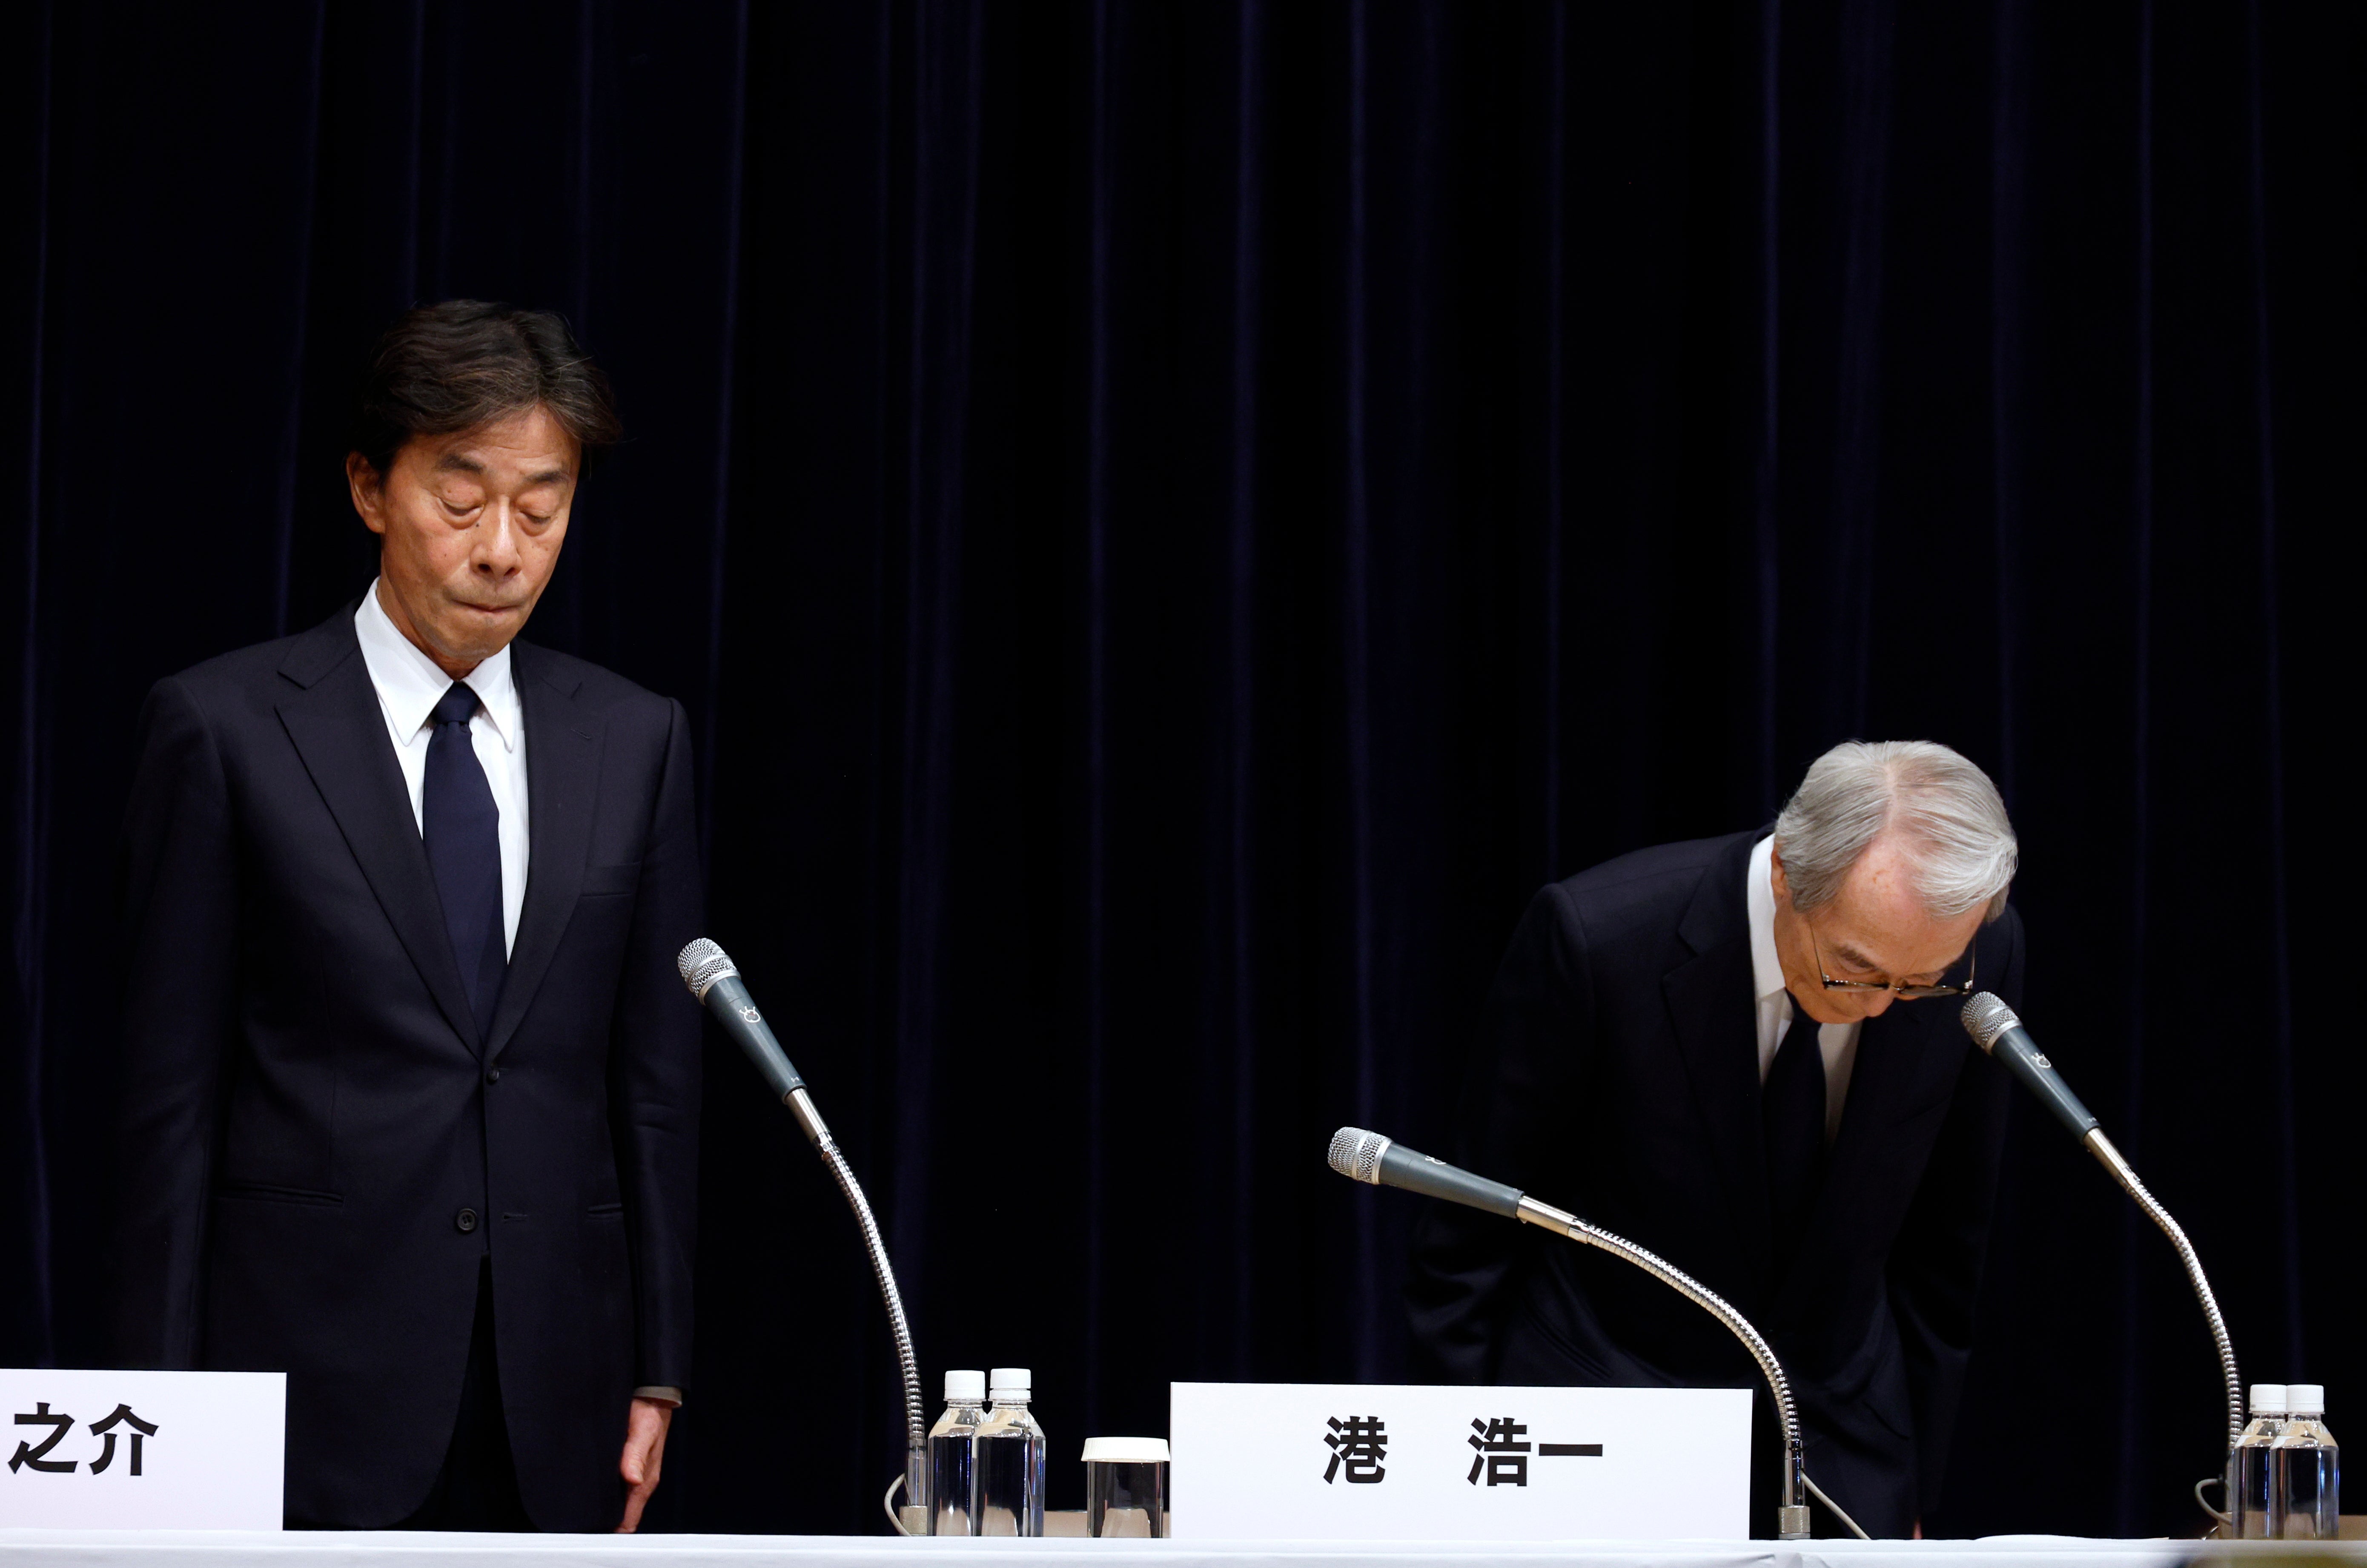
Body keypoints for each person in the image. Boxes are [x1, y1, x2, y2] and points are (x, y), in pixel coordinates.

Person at [112, 302, 702, 1532]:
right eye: (462, 498)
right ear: (370, 488)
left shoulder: (633, 738)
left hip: (557, 1382)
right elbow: (168, 1102)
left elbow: (652, 1086)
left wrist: (659, 1362)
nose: (504, 547)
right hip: (296, 1382)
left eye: (542, 507)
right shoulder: (226, 729)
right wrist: (154, 1409)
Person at [1408, 740, 2025, 1539]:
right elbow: (1470, 1232)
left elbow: (1947, 1246)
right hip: (1605, 1427)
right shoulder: (1601, 938)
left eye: (1919, 985)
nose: (1882, 1008)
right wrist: (1464, 1477)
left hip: (1844, 1449)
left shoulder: (1977, 956)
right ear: (1785, 880)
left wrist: (1914, 1489)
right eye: (1856, 969)